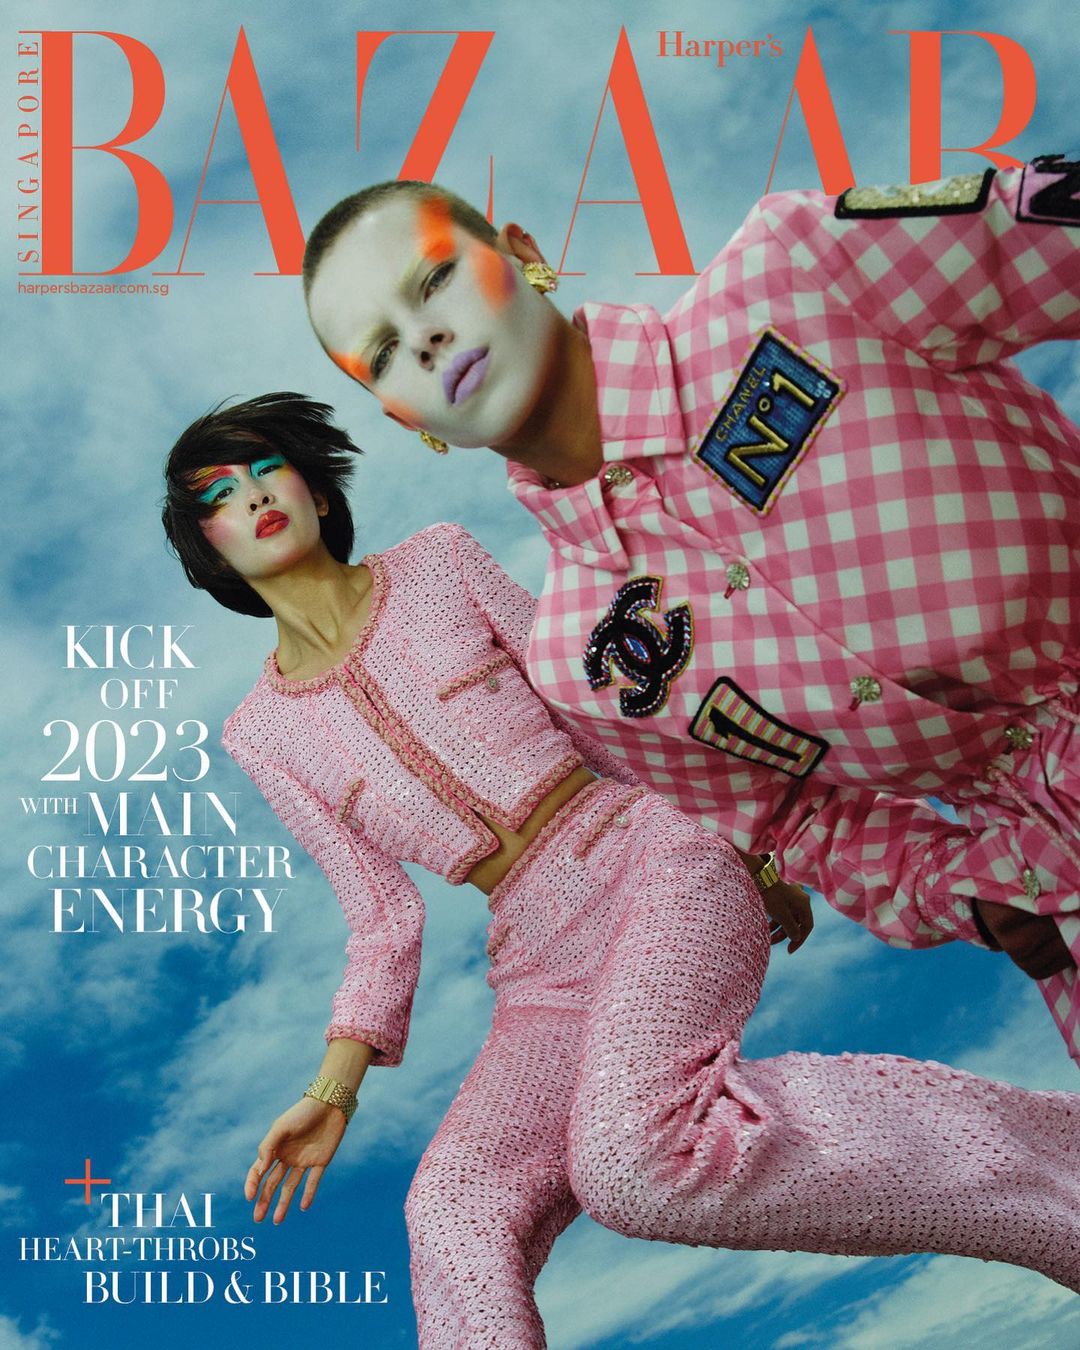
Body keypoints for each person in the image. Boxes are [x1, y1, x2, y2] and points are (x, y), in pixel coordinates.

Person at [162, 393, 1080, 1348]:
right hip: (537, 962)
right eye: (220, 496)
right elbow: (382, 919)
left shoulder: (438, 561)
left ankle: (1050, 1166)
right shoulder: (262, 732)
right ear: (208, 549)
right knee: (452, 1207)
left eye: (267, 470)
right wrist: (332, 1092)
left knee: (633, 1165)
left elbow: (596, 707)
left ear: (315, 488)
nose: (254, 496)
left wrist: (756, 840)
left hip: (651, 854)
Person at [301, 160, 1080, 1063]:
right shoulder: (584, 663)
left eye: (435, 279)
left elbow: (1049, 230)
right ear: (405, 420)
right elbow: (796, 823)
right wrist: (964, 891)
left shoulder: (789, 274)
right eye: (383, 354)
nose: (425, 340)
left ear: (523, 252)